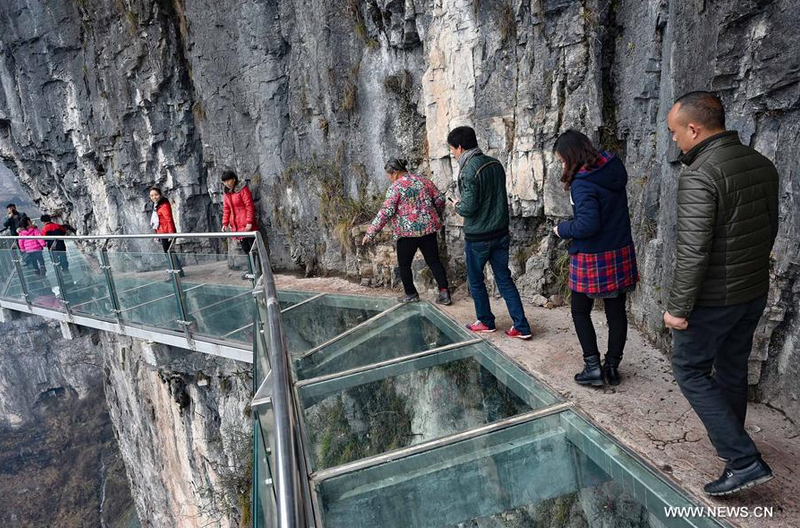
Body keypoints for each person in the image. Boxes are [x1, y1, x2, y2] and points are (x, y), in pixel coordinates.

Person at [664, 91, 779, 496]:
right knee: (731, 368)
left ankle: (743, 460)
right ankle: (734, 443)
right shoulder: (761, 163)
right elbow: (770, 228)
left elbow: (693, 250)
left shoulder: (700, 174)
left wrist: (677, 309)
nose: (674, 141)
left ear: (694, 128)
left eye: (675, 133)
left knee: (690, 370)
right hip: (752, 290)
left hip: (714, 298)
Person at [552, 130, 638, 387]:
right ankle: (611, 368)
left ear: (571, 156)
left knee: (580, 310)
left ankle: (593, 368)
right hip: (619, 251)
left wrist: (561, 229)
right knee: (616, 312)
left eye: (561, 160)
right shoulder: (610, 169)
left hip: (593, 256)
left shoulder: (583, 182)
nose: (562, 165)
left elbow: (587, 225)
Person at [448, 126, 532, 339]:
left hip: (478, 237)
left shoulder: (468, 170)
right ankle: (521, 326)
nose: (453, 153)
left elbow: (468, 208)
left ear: (460, 147)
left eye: (453, 150)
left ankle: (485, 321)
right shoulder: (495, 164)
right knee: (504, 280)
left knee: (476, 281)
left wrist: (456, 204)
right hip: (500, 233)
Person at [362, 158, 451, 305]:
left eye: (389, 175)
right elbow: (440, 200)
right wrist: (434, 213)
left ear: (395, 172)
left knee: (404, 265)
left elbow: (386, 212)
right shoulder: (424, 181)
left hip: (407, 233)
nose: (389, 179)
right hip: (428, 230)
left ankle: (411, 294)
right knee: (434, 261)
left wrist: (370, 233)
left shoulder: (396, 187)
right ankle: (444, 293)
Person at [149, 187, 184, 277]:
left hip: (166, 233)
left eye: (156, 195)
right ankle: (177, 272)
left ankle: (176, 273)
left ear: (160, 195)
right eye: (152, 195)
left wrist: (171, 234)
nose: (154, 197)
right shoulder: (156, 206)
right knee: (169, 252)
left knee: (169, 253)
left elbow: (169, 220)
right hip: (162, 233)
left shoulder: (164, 205)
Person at [220, 170, 257, 255]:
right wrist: (225, 224)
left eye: (228, 180)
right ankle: (252, 268)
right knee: (246, 250)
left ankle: (259, 268)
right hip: (237, 226)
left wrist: (249, 222)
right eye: (225, 181)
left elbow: (249, 206)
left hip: (246, 224)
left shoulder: (243, 190)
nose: (227, 183)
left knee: (253, 250)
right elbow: (226, 209)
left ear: (234, 179)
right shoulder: (227, 193)